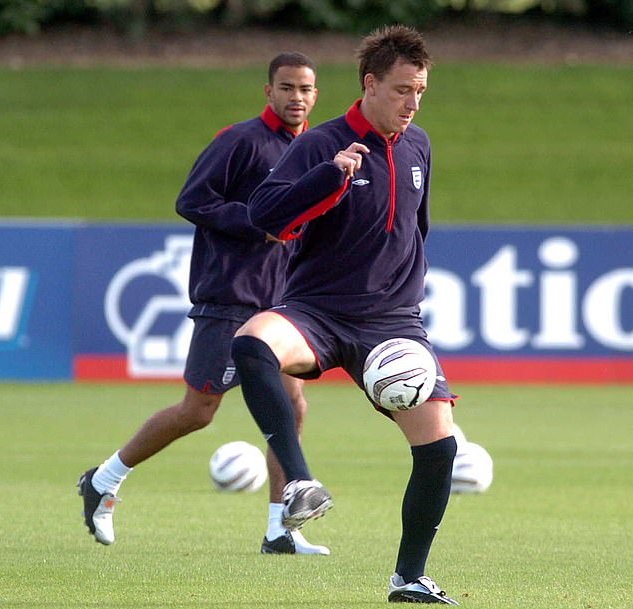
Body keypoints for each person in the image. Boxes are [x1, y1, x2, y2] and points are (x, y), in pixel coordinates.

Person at [231, 26, 460, 604]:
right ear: (369, 84)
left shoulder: (419, 146)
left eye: (421, 92)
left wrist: (407, 304)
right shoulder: (320, 144)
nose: (412, 103)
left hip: (393, 323)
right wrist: (328, 175)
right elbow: (264, 213)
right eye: (403, 89)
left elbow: (417, 229)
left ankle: (409, 578)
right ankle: (299, 480)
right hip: (318, 311)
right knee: (253, 342)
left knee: (440, 448)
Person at [77, 52, 329, 556]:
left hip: (281, 304)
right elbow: (192, 200)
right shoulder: (239, 140)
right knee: (198, 411)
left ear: (315, 94)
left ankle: (281, 529)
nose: (296, 97)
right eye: (286, 87)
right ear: (268, 91)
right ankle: (103, 481)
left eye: (304, 89)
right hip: (231, 297)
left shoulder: (315, 150)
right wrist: (256, 221)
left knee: (293, 405)